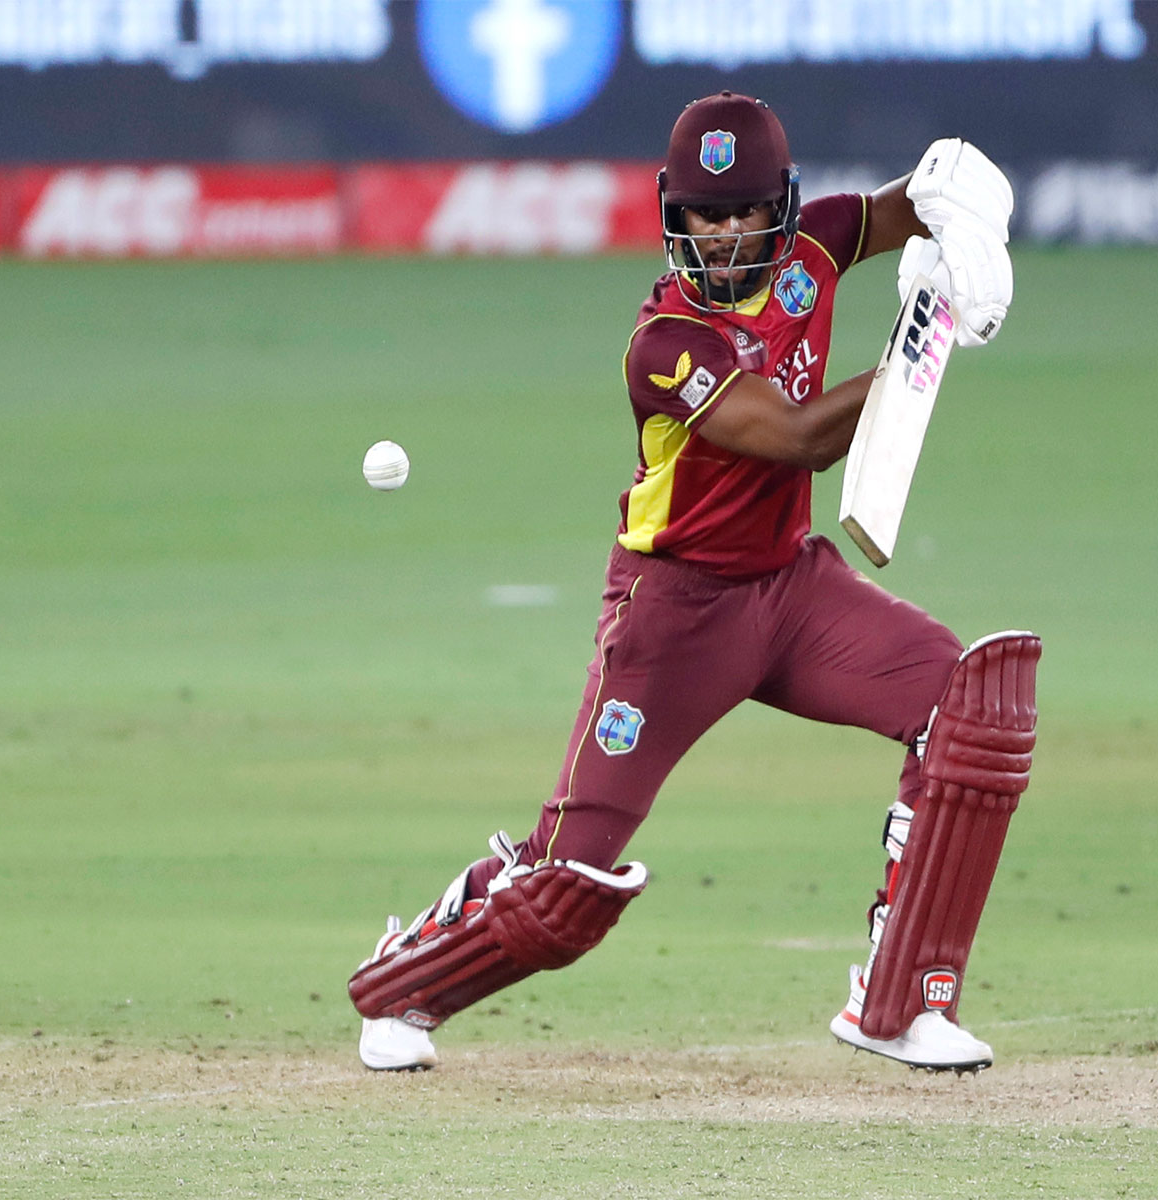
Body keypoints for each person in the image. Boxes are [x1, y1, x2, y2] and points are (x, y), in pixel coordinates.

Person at [347, 92, 1040, 1073]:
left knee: (969, 706)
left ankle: (900, 1005)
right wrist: (927, 338)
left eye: (744, 213)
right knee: (568, 886)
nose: (722, 237)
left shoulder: (812, 249)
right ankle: (403, 985)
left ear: (782, 208)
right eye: (703, 217)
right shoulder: (665, 344)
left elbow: (911, 205)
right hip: (672, 617)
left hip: (792, 593)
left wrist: (964, 207)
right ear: (675, 216)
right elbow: (795, 441)